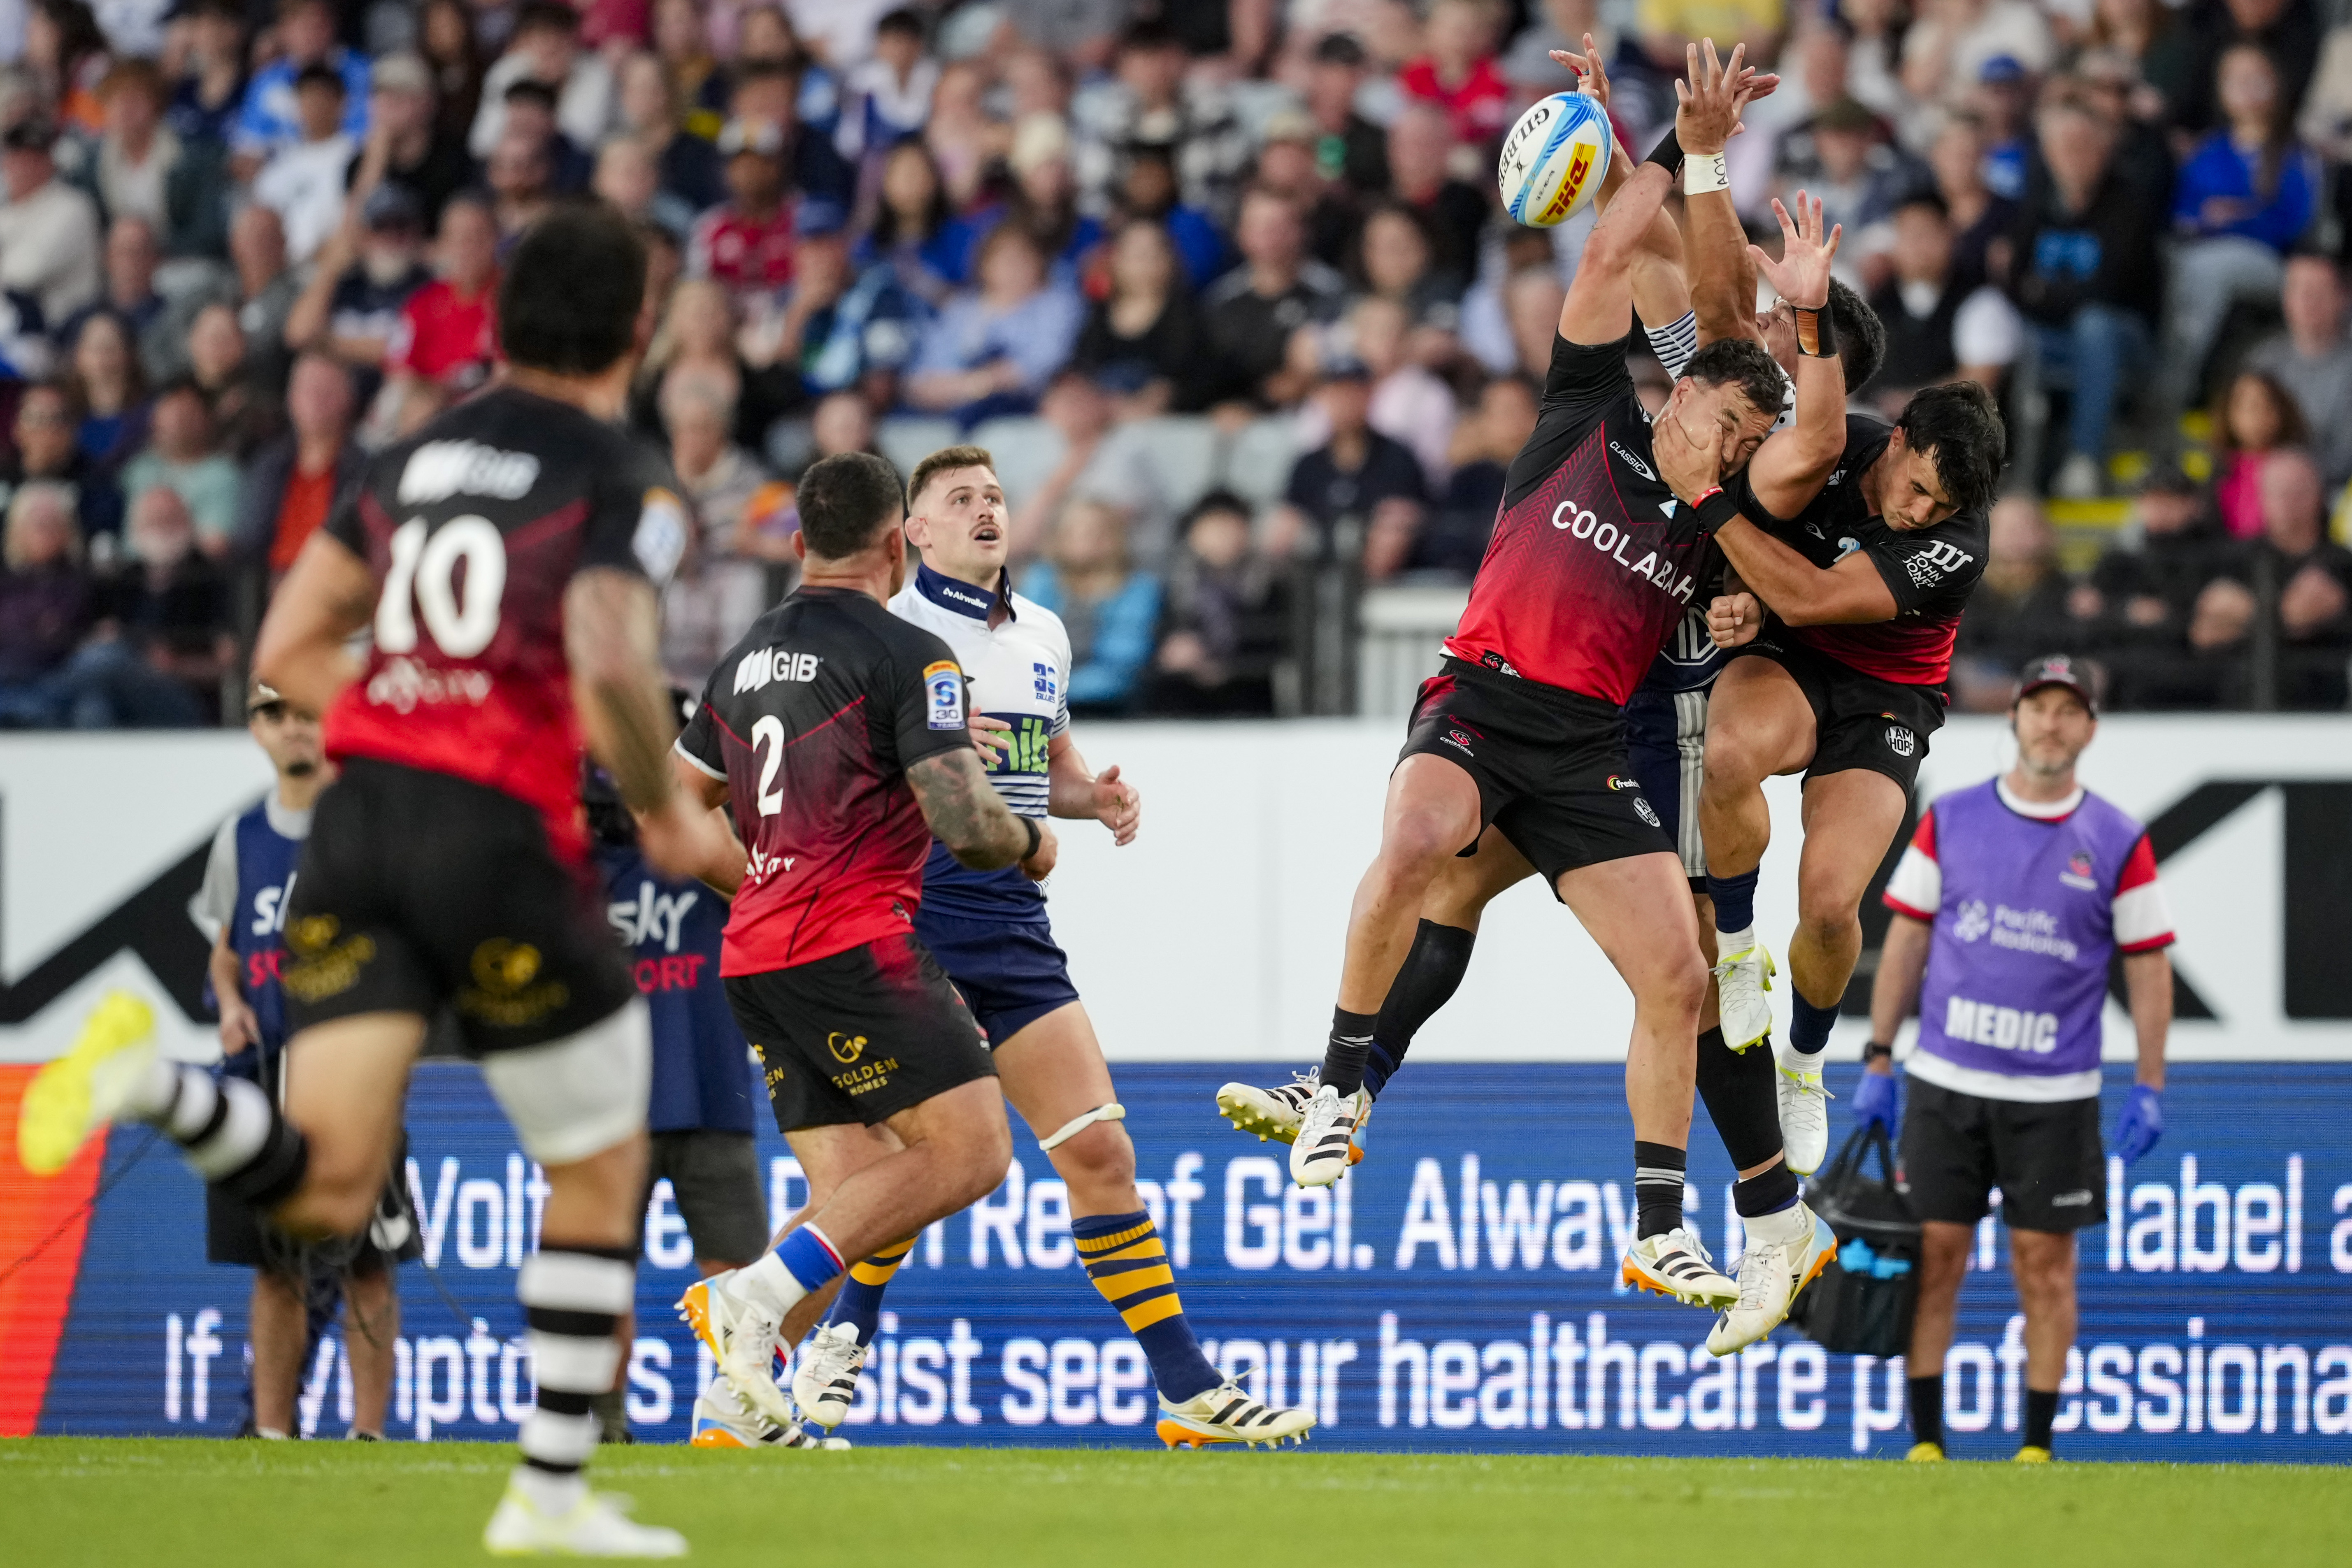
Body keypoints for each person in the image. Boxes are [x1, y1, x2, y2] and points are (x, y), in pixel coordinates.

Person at [17, 204, 721, 1555]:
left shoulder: (408, 459)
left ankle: (147, 1084)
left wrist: (409, 714)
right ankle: (548, 1499)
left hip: (354, 834)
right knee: (597, 1165)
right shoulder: (623, 477)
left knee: (328, 1187)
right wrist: (660, 811)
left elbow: (285, 648)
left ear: (495, 321)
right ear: (640, 327)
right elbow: (607, 651)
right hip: (498, 839)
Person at [1245, 49, 1789, 1339]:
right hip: (1480, 703)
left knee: (1677, 975)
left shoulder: (1720, 517)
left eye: (1752, 444)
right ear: (1685, 389)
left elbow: (1761, 599)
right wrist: (1662, 139)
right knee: (1418, 847)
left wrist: (1744, 606)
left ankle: (1657, 1228)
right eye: (1729, 424)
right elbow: (1618, 256)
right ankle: (1338, 1085)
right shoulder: (1584, 410)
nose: (1733, 449)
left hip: (1587, 749)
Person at [697, 447, 1311, 1450]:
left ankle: (1186, 1389)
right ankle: (829, 1338)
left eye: (993, 495)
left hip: (1011, 921)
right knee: (910, 1164)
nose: (986, 509)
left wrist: (1091, 797)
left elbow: (1043, 765)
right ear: (911, 534)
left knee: (1098, 1150)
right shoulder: (889, 633)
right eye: (959, 499)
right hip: (908, 910)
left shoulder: (1042, 633)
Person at [655, 452, 1041, 1440]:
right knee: (972, 1150)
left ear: (799, 545)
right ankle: (747, 1296)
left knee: (851, 1197)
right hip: (853, 945)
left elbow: (668, 805)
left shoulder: (743, 658)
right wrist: (1031, 840)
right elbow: (967, 825)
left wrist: (756, 878)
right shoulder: (911, 653)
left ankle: (729, 1406)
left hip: (756, 956)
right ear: (894, 547)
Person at [1859, 653, 2173, 1463]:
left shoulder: (2116, 839)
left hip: (2054, 1095)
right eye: (2038, 708)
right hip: (1945, 1084)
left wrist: (2148, 1083)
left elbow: (2146, 964)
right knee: (1936, 1259)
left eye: (2068, 711)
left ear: (2089, 729)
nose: (2050, 725)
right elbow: (1906, 941)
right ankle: (1926, 1445)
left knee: (2044, 1267)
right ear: (2014, 718)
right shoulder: (1952, 818)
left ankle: (2035, 1447)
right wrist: (1878, 1057)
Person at [186, 681, 414, 1442]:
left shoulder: (370, 828)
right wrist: (230, 1004)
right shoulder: (241, 836)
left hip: (353, 1070)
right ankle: (273, 1434)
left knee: (368, 1263)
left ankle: (369, 1433)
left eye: (305, 713)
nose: (292, 728)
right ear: (256, 729)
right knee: (274, 1263)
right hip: (264, 1072)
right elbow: (226, 952)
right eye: (273, 714)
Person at [2247, 253, 2352, 489]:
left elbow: (2344, 458)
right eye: (2297, 290)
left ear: (2343, 297)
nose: (2307, 301)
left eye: (2318, 292)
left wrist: (2293, 478)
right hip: (2259, 488)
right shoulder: (2263, 360)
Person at [0, 117, 102, 325]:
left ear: (49, 162)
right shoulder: (7, 212)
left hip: (65, 326)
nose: (23, 168)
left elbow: (26, 274)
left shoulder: (73, 207)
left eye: (34, 159)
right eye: (17, 158)